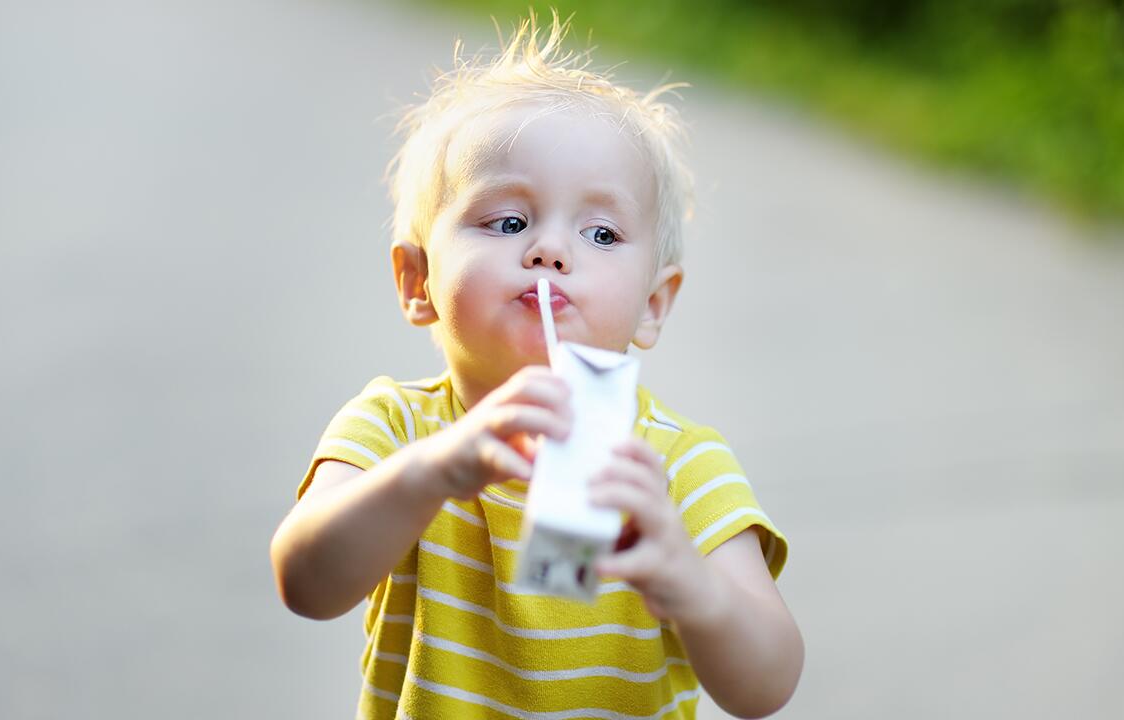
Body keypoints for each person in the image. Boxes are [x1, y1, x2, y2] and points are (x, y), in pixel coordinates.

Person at [270, 13, 803, 719]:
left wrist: (689, 580)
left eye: (601, 233)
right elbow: (306, 583)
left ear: (653, 303)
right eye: (510, 222)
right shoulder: (397, 428)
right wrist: (430, 474)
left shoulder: (677, 466)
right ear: (415, 282)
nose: (552, 251)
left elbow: (767, 687)